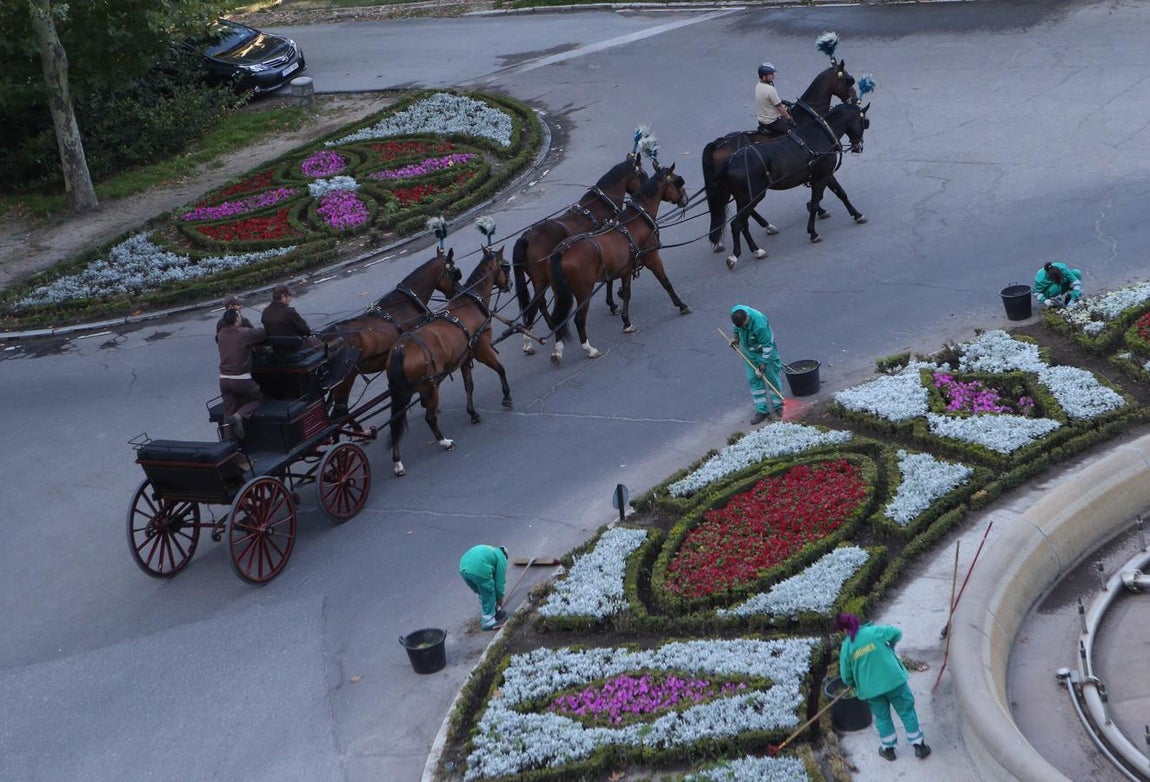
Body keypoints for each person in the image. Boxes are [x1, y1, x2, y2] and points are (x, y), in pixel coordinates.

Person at [835, 613, 931, 762]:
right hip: (894, 682)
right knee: (906, 711)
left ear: (844, 630)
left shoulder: (846, 647)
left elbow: (846, 675)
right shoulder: (874, 632)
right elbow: (897, 633)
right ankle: (919, 746)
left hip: (871, 690)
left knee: (882, 717)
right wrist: (890, 646)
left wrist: (856, 683)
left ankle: (888, 750)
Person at [729, 305, 784, 425]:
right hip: (749, 352)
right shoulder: (736, 313)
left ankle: (778, 405)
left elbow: (768, 346)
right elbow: (736, 328)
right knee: (753, 379)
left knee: (771, 378)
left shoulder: (760, 325)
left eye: (744, 325)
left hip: (765, 352)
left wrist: (763, 364)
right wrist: (736, 338)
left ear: (747, 318)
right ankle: (761, 410)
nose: (743, 327)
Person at [217, 308, 267, 440]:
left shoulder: (221, 334)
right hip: (241, 380)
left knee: (228, 411)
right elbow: (262, 333)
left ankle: (230, 449)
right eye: (239, 317)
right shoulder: (244, 333)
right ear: (236, 319)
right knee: (258, 398)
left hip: (223, 380)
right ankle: (239, 416)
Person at [458, 544, 509, 631]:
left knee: (483, 592)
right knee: (489, 592)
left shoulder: (491, 551)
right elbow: (499, 585)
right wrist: (500, 601)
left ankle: (491, 610)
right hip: (478, 570)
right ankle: (488, 621)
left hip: (463, 568)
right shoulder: (502, 558)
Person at [261, 283, 315, 353]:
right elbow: (306, 331)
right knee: (321, 343)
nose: (290, 298)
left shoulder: (265, 312)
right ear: (283, 296)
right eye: (290, 295)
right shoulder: (289, 312)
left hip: (277, 350)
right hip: (295, 349)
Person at [755, 62, 795, 137]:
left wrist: (782, 102)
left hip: (762, 120)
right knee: (793, 132)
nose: (774, 75)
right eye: (771, 74)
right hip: (772, 122)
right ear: (764, 76)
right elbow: (780, 108)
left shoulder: (758, 86)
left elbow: (768, 100)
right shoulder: (770, 89)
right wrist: (789, 119)